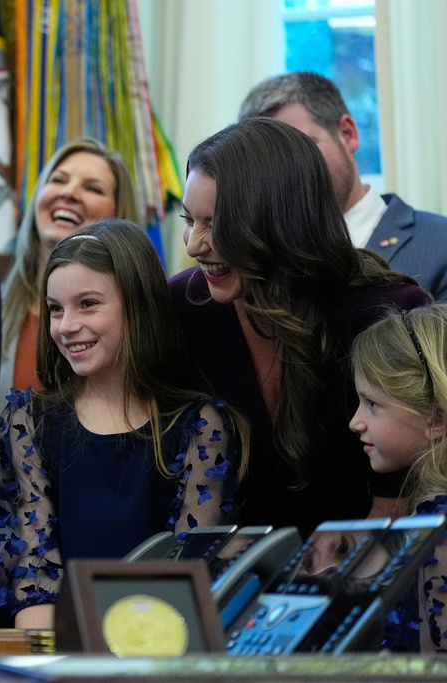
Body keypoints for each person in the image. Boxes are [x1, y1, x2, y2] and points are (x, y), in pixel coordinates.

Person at [0, 220, 246, 630]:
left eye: (88, 304)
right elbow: (37, 578)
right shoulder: (31, 422)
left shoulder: (198, 425)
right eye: (55, 308)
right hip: (59, 651)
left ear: (138, 305)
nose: (66, 325)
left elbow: (186, 575)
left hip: (158, 647)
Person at [170, 117, 429, 539]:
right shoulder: (182, 305)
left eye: (216, 224)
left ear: (280, 222)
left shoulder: (384, 312)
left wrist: (353, 563)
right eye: (189, 219)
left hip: (367, 561)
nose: (194, 244)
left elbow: (408, 479)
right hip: (229, 574)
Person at [0, 138, 138, 627]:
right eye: (58, 180)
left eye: (92, 187)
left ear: (118, 213)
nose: (69, 193)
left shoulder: (136, 328)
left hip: (97, 563)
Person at [239, 71, 447, 301]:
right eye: (269, 162)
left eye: (302, 150)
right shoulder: (258, 262)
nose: (286, 172)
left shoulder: (439, 243)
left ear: (348, 134)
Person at [348, 303, 447, 653]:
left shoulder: (439, 535)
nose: (355, 422)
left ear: (436, 419)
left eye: (372, 404)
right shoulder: (427, 515)